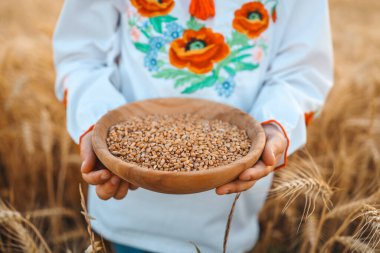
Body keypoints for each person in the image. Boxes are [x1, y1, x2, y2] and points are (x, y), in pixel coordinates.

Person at [53, 0, 333, 252]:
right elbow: (81, 54)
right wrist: (99, 124)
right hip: (125, 205)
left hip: (226, 222)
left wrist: (273, 126)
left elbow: (302, 70)